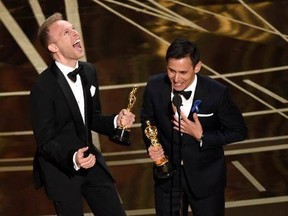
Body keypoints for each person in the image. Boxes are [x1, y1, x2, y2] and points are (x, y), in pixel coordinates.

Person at [30, 12, 135, 216]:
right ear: (53, 47)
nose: (75, 33)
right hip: (62, 169)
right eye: (66, 32)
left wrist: (116, 120)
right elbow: (44, 142)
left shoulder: (88, 71)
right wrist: (73, 158)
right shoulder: (42, 87)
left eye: (74, 29)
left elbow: (92, 117)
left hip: (91, 161)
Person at [140, 38, 248, 216]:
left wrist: (202, 136)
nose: (176, 78)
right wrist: (153, 145)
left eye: (183, 72)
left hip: (206, 181)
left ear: (197, 67)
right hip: (167, 179)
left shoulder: (217, 92)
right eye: (171, 70)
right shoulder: (155, 86)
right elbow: (147, 119)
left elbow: (239, 131)